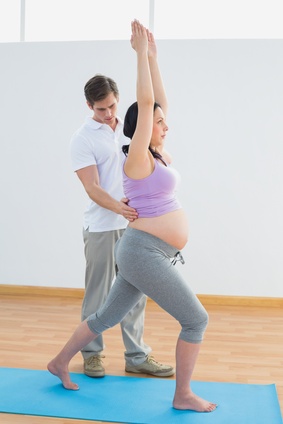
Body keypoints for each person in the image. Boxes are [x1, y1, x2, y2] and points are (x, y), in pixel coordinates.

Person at [48, 20, 217, 412]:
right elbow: (146, 106)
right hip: (142, 250)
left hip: (143, 250)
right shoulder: (137, 157)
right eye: (156, 122)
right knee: (196, 320)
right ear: (140, 129)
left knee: (107, 314)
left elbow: (157, 103)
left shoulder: (156, 151)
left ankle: (59, 362)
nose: (163, 124)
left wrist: (154, 58)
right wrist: (139, 55)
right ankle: (183, 395)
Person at [69, 71, 174, 377]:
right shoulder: (83, 138)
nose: (109, 113)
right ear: (89, 106)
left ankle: (137, 355)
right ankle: (91, 353)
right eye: (101, 109)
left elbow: (159, 105)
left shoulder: (130, 128)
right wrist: (119, 208)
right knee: (98, 294)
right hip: (102, 226)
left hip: (134, 226)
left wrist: (150, 58)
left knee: (136, 291)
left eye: (112, 106)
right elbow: (92, 187)